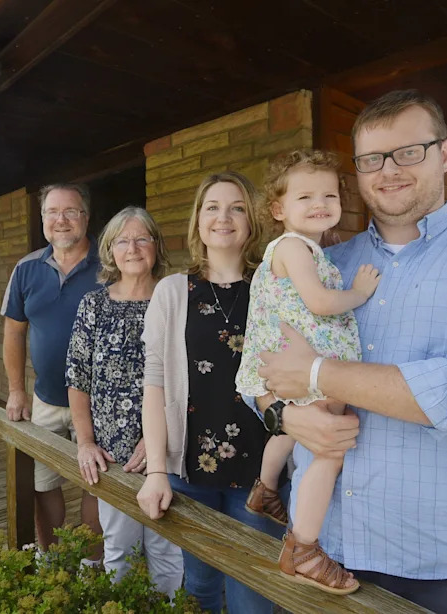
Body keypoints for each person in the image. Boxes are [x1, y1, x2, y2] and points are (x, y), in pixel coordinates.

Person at [256, 90, 447, 613]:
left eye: (409, 152)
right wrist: (282, 417)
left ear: (445, 153)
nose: (389, 170)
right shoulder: (324, 264)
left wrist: (317, 373)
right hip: (326, 550)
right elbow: (265, 365)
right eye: (372, 159)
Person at [136, 171, 285, 613]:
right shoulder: (172, 291)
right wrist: (156, 471)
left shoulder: (272, 286)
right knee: (199, 588)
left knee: (254, 598)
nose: (224, 217)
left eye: (237, 207)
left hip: (262, 475)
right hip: (191, 472)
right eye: (213, 207)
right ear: (198, 220)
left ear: (251, 221)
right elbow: (155, 384)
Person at [236, 149, 380, 595]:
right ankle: (304, 547)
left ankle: (264, 488)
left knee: (291, 431)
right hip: (306, 366)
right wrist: (358, 293)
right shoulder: (295, 247)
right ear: (279, 210)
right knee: (328, 451)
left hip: (291, 364)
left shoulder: (303, 248)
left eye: (329, 195)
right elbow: (319, 303)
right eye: (305, 197)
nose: (320, 203)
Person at [66, 206, 183, 597]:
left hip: (167, 454)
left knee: (168, 551)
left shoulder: (175, 301)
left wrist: (157, 439)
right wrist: (85, 442)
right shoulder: (93, 305)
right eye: (123, 240)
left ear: (156, 246)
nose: (132, 248)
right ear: (110, 251)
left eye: (142, 238)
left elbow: (187, 382)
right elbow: (77, 379)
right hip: (113, 456)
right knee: (119, 549)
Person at [1, 183, 103, 556]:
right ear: (43, 219)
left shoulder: (109, 267)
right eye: (52, 212)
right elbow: (13, 330)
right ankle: (53, 561)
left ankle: (92, 565)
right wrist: (16, 390)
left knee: (98, 485)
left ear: (86, 217)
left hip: (97, 405)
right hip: (44, 399)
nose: (61, 220)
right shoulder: (26, 269)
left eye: (70, 211)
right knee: (41, 484)